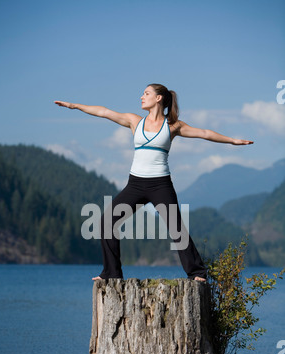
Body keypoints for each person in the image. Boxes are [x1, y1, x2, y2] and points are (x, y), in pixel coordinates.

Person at [55, 84, 253, 282]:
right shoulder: (134, 121)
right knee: (107, 221)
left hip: (161, 185)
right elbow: (104, 112)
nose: (141, 97)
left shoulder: (173, 125)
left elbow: (205, 133)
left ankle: (197, 272)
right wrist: (74, 106)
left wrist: (233, 141)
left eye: (146, 93)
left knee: (176, 229)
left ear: (158, 98)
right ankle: (112, 273)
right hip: (135, 185)